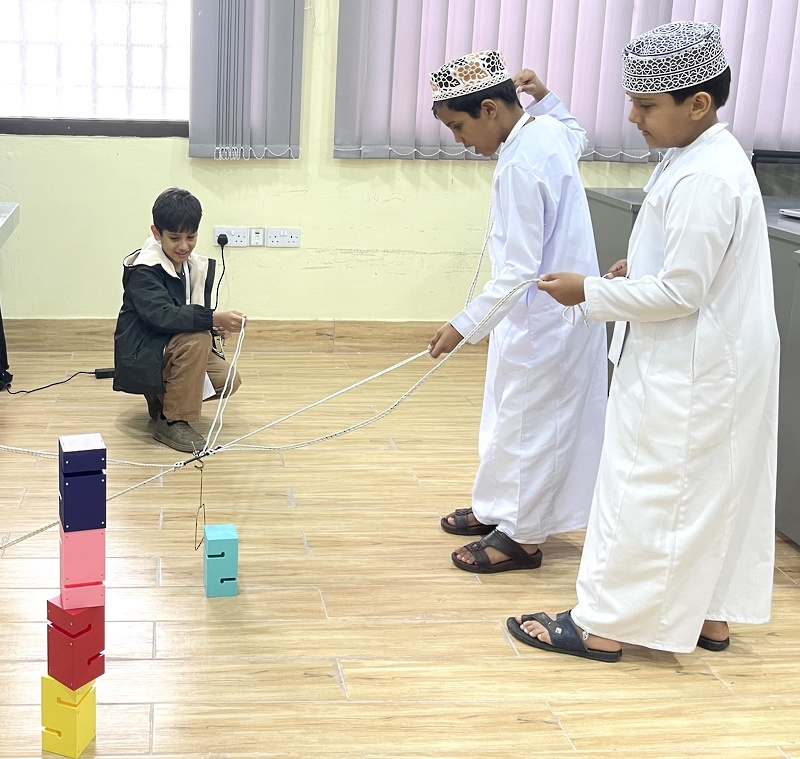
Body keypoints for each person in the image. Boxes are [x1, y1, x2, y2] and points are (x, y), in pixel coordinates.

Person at [508, 21, 779, 660]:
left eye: (646, 104)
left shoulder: (706, 175)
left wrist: (590, 293)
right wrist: (639, 271)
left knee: (648, 488)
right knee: (715, 489)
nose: (631, 116)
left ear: (698, 103)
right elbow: (688, 270)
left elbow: (682, 294)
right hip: (717, 356)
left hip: (692, 361)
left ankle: (603, 624)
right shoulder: (700, 155)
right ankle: (710, 616)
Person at [427, 51, 607, 573]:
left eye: (459, 127)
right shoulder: (544, 131)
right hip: (531, 319)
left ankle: (523, 538)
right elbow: (576, 132)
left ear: (489, 109)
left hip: (544, 320)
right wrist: (545, 95)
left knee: (532, 427)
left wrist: (462, 326)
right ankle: (497, 509)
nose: (459, 140)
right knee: (509, 420)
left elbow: (520, 270)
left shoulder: (523, 164)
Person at [113, 188, 246, 453]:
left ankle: (161, 400)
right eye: (174, 238)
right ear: (156, 233)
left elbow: (184, 313)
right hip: (142, 352)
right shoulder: (144, 270)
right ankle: (172, 421)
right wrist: (209, 318)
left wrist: (214, 326)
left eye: (191, 237)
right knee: (196, 338)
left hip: (165, 348)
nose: (184, 246)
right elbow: (163, 315)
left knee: (226, 380)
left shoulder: (189, 265)